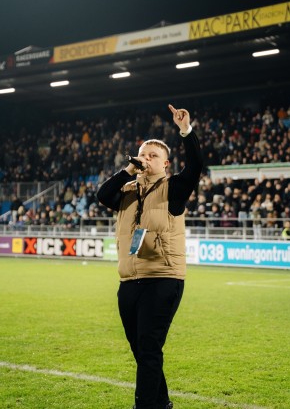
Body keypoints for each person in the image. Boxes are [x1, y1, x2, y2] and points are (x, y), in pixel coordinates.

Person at [97, 104, 203, 409]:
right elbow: (102, 195)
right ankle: (162, 403)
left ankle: (145, 406)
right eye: (142, 154)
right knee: (141, 350)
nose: (145, 159)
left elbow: (195, 166)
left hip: (163, 278)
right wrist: (129, 170)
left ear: (166, 163)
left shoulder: (174, 188)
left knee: (149, 347)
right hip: (130, 280)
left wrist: (186, 130)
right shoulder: (127, 190)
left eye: (152, 155)